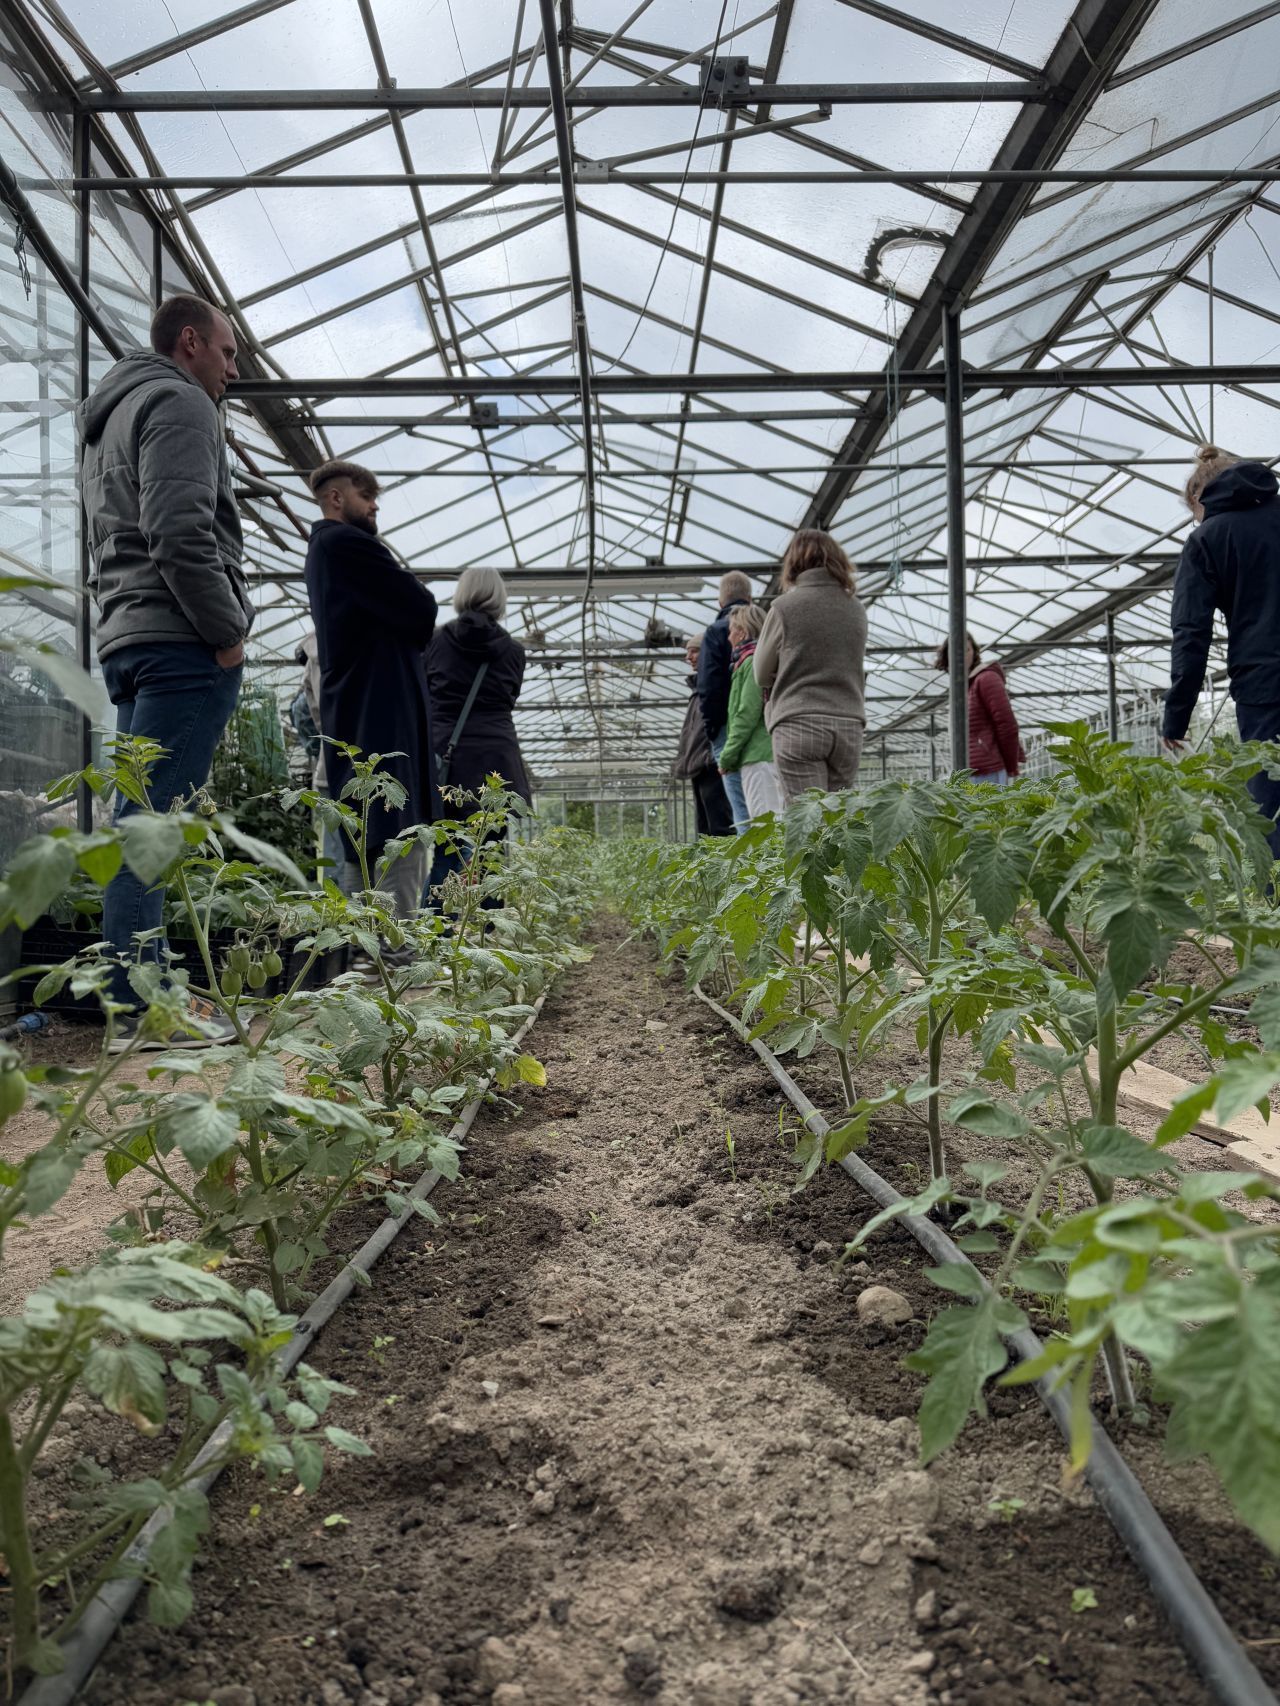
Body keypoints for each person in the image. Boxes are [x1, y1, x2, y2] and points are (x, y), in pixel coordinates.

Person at [79, 292, 251, 1050]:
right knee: (153, 829)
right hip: (180, 639)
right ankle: (145, 1006)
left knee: (139, 821)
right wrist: (228, 633)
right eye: (228, 352)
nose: (233, 371)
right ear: (190, 343)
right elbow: (178, 529)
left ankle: (142, 998)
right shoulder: (181, 404)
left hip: (128, 638)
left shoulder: (110, 416)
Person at [304, 459, 437, 922]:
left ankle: (363, 945)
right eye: (366, 497)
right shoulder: (345, 543)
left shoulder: (325, 552)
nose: (375, 506)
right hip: (379, 711)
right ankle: (394, 942)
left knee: (364, 827)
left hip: (358, 707)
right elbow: (421, 609)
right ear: (336, 498)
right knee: (395, 824)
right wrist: (414, 605)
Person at [1163, 445, 1280, 858]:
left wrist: (1176, 717)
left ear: (1200, 498)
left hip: (1267, 688)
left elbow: (1190, 635)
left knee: (1270, 810)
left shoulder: (1208, 537)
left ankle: (1273, 912)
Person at [423, 568, 529, 899]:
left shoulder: (435, 642)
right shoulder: (514, 651)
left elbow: (426, 693)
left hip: (448, 759)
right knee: (492, 852)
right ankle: (489, 935)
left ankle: (433, 934)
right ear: (500, 599)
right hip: (496, 759)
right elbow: (508, 699)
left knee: (447, 849)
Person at [753, 530, 867, 803]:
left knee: (808, 823)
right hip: (848, 724)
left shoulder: (784, 607)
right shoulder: (856, 609)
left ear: (794, 563)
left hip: (799, 721)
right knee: (841, 821)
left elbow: (760, 673)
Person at [717, 605, 784, 825]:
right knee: (774, 821)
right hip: (768, 753)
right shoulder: (761, 660)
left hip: (759, 756)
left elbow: (746, 713)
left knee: (765, 825)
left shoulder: (749, 662)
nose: (728, 637)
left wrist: (727, 755)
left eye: (731, 630)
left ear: (743, 632)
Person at [697, 570, 753, 830]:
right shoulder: (765, 626)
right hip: (765, 728)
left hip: (728, 730)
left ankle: (756, 869)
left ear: (720, 602)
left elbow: (708, 687)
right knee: (769, 808)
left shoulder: (716, 631)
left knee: (742, 812)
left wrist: (713, 729)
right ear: (750, 598)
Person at [933, 632, 1022, 784]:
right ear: (947, 657)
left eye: (966, 650)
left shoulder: (986, 678)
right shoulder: (964, 686)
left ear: (974, 652)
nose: (962, 656)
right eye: (955, 652)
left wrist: (1010, 767)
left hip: (987, 771)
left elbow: (1006, 724)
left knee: (988, 808)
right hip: (970, 770)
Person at [671, 635, 734, 837]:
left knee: (720, 825)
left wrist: (710, 756)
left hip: (712, 763)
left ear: (708, 652)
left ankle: (727, 866)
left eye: (694, 651)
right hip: (700, 764)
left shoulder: (718, 683)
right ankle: (709, 867)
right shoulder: (699, 689)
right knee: (705, 828)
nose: (688, 657)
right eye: (687, 652)